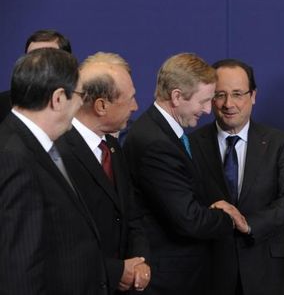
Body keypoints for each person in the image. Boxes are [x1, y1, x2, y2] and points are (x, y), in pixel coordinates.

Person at [123, 53, 249, 295]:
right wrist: (228, 217)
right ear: (177, 96)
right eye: (203, 101)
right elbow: (188, 219)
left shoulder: (165, 133)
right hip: (167, 279)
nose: (207, 110)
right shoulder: (155, 142)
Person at [190, 58, 284, 295]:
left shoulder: (279, 143)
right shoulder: (191, 145)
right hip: (211, 271)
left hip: (270, 271)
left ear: (253, 95)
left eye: (237, 94)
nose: (228, 104)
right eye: (219, 95)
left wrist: (249, 224)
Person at [0, 48, 109, 294]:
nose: (82, 103)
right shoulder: (14, 157)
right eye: (80, 94)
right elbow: (19, 267)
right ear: (58, 98)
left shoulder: (34, 144)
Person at [56, 52, 151, 294]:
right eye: (130, 99)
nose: (135, 106)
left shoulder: (112, 146)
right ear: (101, 105)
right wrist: (114, 271)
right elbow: (59, 241)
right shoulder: (57, 154)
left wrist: (140, 262)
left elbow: (131, 215)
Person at [0, 29, 72, 122]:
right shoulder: (3, 104)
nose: (39, 62)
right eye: (33, 56)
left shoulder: (79, 102)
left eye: (48, 56)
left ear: (67, 62)